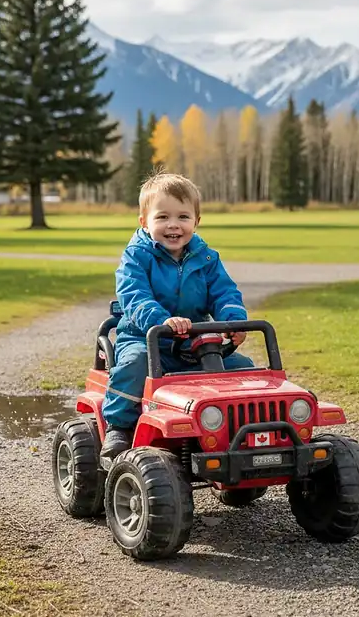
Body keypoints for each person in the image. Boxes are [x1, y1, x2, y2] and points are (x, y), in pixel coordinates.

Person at [100, 172, 255, 460]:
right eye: (162, 217)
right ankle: (119, 426)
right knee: (133, 365)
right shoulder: (136, 257)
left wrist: (233, 319)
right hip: (145, 338)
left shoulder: (207, 258)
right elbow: (134, 296)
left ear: (196, 221)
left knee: (242, 368)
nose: (173, 225)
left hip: (195, 343)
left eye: (183, 217)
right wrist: (162, 320)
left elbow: (224, 292)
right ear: (144, 222)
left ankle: (237, 431)